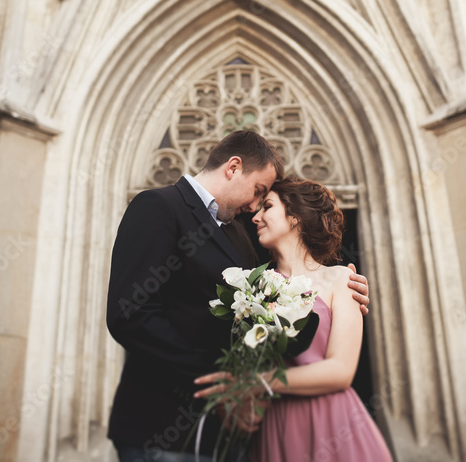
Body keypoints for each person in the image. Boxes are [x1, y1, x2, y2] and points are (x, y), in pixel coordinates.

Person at [106, 131, 371, 462]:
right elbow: (131, 313)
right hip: (162, 429)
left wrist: (346, 283)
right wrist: (226, 385)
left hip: (233, 438)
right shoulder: (159, 206)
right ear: (233, 167)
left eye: (264, 202)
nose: (254, 207)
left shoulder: (239, 233)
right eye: (258, 191)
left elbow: (290, 284)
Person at [194, 177, 393, 461]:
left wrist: (259, 381)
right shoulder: (251, 288)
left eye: (268, 207)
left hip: (333, 420)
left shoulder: (341, 279)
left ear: (296, 217)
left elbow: (341, 371)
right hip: (277, 425)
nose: (256, 216)